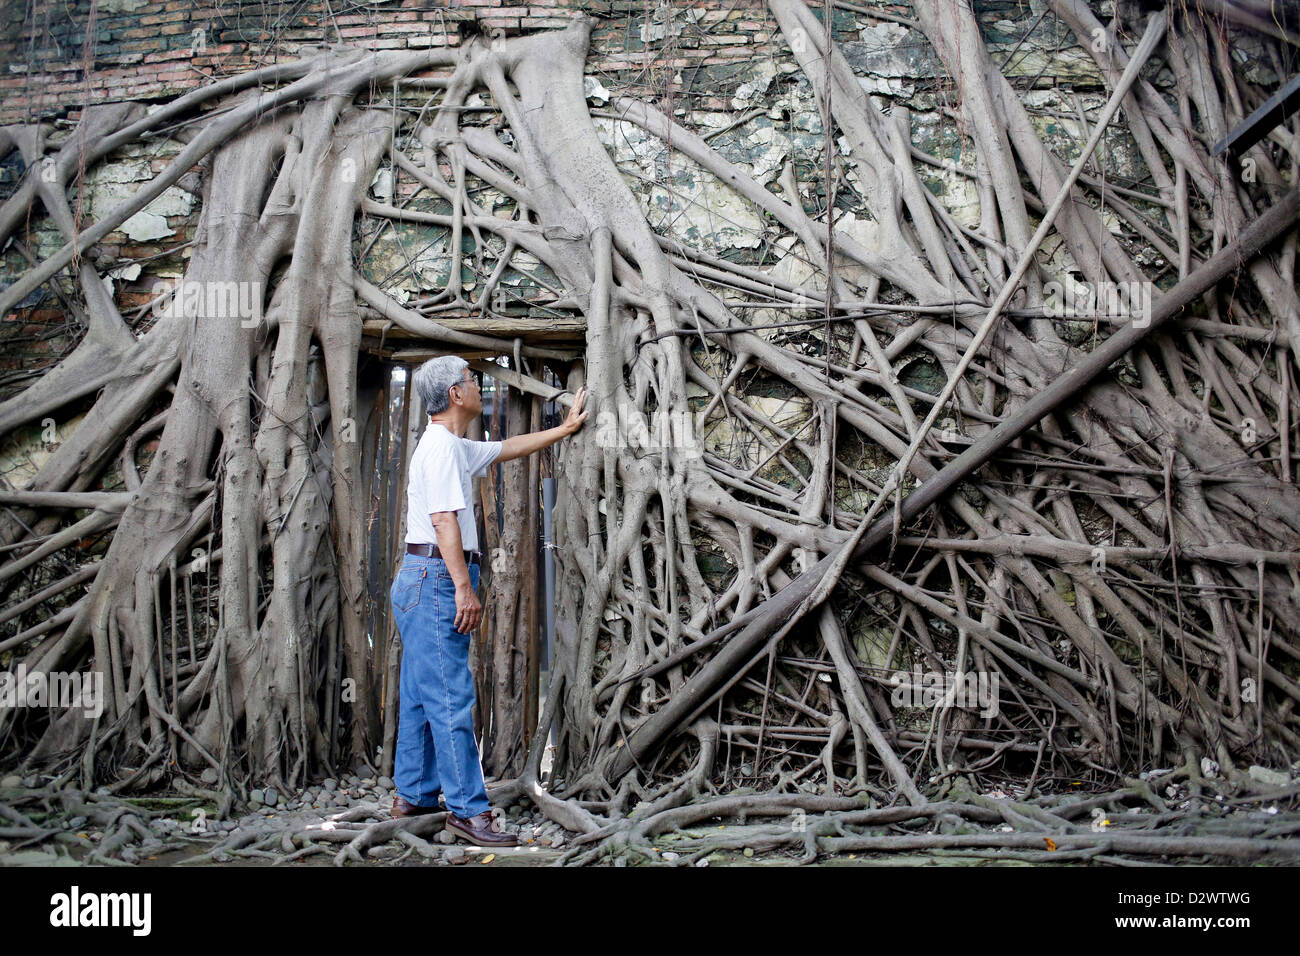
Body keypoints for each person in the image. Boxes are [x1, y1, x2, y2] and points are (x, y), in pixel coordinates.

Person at [389, 355, 587, 847]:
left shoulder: (452, 446)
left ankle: (413, 794)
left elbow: (507, 448)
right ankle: (468, 812)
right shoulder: (438, 450)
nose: (478, 385)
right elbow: (443, 522)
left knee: (419, 694)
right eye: (473, 380)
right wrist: (462, 586)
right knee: (451, 697)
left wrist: (563, 431)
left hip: (422, 578)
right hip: (435, 577)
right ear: (456, 394)